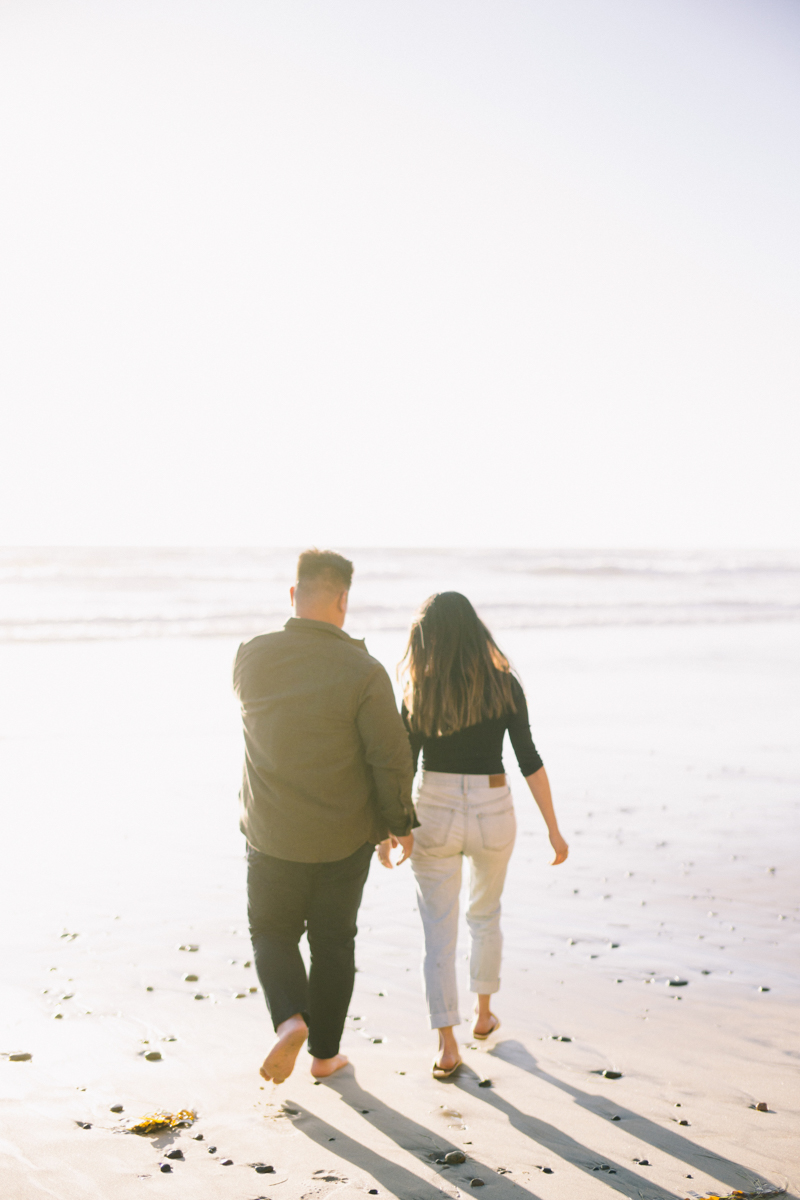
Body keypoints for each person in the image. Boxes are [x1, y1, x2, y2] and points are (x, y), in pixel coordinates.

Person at [234, 549, 417, 1084]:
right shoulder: (364, 670)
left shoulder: (250, 657)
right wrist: (398, 823)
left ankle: (289, 1017)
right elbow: (390, 755)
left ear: (293, 596)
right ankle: (324, 1056)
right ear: (344, 600)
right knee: (334, 942)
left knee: (271, 931)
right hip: (343, 837)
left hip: (270, 833)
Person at [383, 591, 568, 1078]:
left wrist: (392, 828)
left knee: (437, 933)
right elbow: (528, 758)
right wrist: (553, 828)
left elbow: (402, 764)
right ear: (475, 630)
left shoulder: (419, 689)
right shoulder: (505, 685)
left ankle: (448, 1045)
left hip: (435, 808)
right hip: (493, 806)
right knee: (485, 913)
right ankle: (484, 1015)